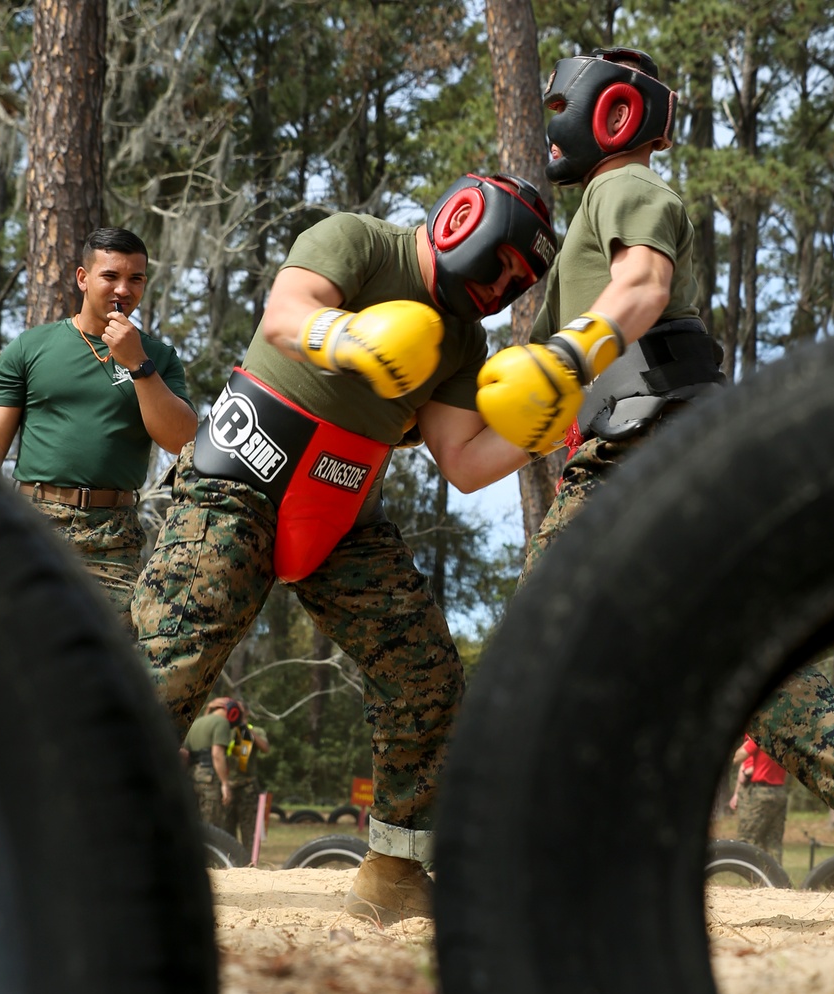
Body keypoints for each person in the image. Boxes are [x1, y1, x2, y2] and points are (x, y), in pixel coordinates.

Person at [476, 47, 834, 921]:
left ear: (613, 117)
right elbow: (511, 425)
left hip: (641, 454)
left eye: (562, 102)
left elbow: (645, 282)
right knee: (745, 651)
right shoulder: (591, 219)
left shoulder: (623, 189)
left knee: (541, 649)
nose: (549, 117)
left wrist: (566, 353)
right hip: (676, 452)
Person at [131, 172, 591, 925]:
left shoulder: (464, 341)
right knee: (168, 664)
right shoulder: (358, 241)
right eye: (505, 261)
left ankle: (395, 871)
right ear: (464, 218)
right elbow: (285, 315)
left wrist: (531, 429)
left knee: (425, 673)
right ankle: (66, 837)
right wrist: (348, 337)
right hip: (240, 475)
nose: (507, 285)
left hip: (341, 508)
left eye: (523, 280)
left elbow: (464, 463)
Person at [0, 227, 199, 629]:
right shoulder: (30, 348)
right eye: (111, 276)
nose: (123, 289)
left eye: (136, 279)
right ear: (83, 278)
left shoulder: (158, 357)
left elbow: (182, 439)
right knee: (19, 649)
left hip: (113, 538)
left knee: (103, 664)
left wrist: (138, 364)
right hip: (34, 524)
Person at [181, 696, 242, 830]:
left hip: (192, 777)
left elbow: (185, 754)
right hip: (209, 778)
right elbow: (217, 754)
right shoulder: (222, 723)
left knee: (194, 824)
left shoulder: (196, 722)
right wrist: (225, 784)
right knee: (212, 827)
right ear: (233, 714)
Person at [729, 734, 788, 862]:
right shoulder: (784, 735)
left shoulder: (761, 734)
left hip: (761, 793)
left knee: (747, 840)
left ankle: (752, 877)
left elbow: (739, 758)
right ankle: (776, 880)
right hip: (780, 791)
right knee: (773, 842)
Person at [226, 699, 270, 850]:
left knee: (249, 830)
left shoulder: (255, 731)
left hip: (248, 786)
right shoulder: (226, 729)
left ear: (247, 712)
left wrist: (246, 730)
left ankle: (249, 866)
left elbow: (265, 748)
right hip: (229, 785)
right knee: (227, 829)